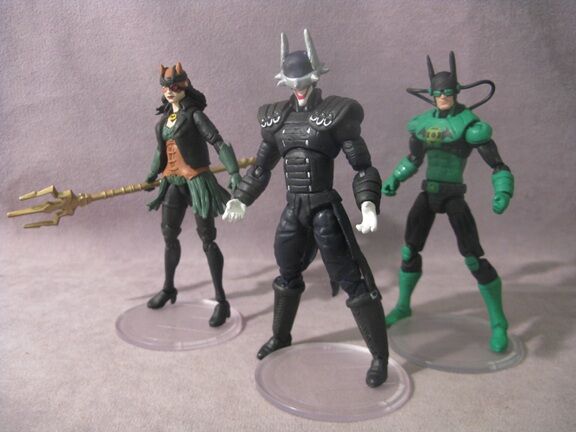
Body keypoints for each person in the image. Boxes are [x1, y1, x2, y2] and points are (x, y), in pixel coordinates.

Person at [223, 30, 388, 388]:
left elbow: (362, 167)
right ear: (284, 80)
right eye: (292, 81)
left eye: (304, 80)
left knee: (352, 280)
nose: (299, 87)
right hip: (293, 208)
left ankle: (379, 357)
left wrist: (368, 205)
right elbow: (261, 169)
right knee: (286, 273)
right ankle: (281, 336)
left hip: (324, 208)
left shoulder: (336, 114)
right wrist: (241, 198)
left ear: (316, 77)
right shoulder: (276, 120)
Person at [382, 52, 514, 352]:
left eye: (447, 92)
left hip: (454, 195)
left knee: (473, 258)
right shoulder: (421, 125)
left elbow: (498, 165)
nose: (443, 97)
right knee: (409, 250)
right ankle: (403, 305)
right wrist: (395, 178)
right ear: (431, 94)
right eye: (438, 93)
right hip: (429, 192)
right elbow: (413, 159)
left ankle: (498, 322)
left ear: (456, 92)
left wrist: (502, 192)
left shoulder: (470, 127)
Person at [145, 63, 241, 327]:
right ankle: (168, 288)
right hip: (173, 182)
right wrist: (151, 176)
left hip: (197, 182)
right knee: (169, 235)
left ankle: (222, 301)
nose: (169, 91)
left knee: (208, 239)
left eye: (174, 86)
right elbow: (160, 152)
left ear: (185, 87)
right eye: (165, 87)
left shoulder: (195, 116)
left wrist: (233, 171)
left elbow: (217, 141)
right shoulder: (163, 123)